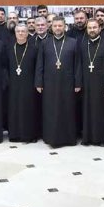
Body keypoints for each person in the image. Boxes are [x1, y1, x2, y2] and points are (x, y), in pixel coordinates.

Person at [36, 16, 82, 148]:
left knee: (67, 110)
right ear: (51, 27)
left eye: (60, 26)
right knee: (50, 110)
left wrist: (78, 83)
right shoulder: (45, 43)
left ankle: (68, 138)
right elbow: (40, 63)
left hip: (68, 83)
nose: (57, 28)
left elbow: (78, 64)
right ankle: (50, 137)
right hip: (49, 83)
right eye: (55, 26)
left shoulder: (73, 42)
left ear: (64, 27)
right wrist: (38, 82)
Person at [79, 19, 104, 146]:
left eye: (94, 27)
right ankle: (86, 138)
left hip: (101, 84)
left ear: (99, 29)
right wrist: (78, 83)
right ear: (87, 29)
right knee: (86, 111)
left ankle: (101, 139)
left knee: (100, 112)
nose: (92, 30)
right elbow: (79, 65)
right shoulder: (82, 44)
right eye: (90, 28)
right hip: (86, 84)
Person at [2, 24, 39, 143]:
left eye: (23, 31)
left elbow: (37, 67)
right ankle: (14, 135)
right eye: (18, 31)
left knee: (28, 109)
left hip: (29, 84)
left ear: (27, 33)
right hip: (13, 84)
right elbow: (4, 67)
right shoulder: (9, 48)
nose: (21, 33)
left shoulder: (34, 49)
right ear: (15, 33)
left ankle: (29, 135)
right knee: (14, 109)